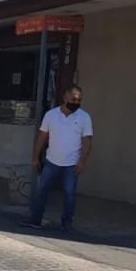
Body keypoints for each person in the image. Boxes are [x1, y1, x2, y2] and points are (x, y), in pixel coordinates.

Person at [20, 86, 93, 232]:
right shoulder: (51, 115)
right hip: (52, 161)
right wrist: (36, 157)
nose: (76, 102)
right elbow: (42, 137)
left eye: (79, 100)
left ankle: (67, 223)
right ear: (65, 98)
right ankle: (35, 219)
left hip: (72, 163)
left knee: (69, 193)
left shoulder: (84, 117)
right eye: (74, 99)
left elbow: (87, 141)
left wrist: (82, 162)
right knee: (42, 190)